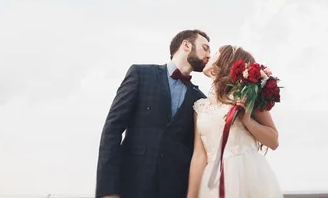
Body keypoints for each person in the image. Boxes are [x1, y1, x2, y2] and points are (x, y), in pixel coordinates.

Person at [95, 29, 211, 198]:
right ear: (186, 45)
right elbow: (112, 129)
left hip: (175, 189)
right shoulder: (140, 75)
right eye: (205, 48)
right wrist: (108, 190)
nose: (209, 54)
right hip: (131, 185)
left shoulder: (200, 100)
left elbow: (197, 152)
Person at [187, 45, 283, 198]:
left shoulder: (246, 96)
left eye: (216, 53)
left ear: (226, 61)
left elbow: (273, 141)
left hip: (247, 174)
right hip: (213, 182)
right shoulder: (200, 107)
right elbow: (199, 156)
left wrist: (248, 121)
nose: (210, 55)